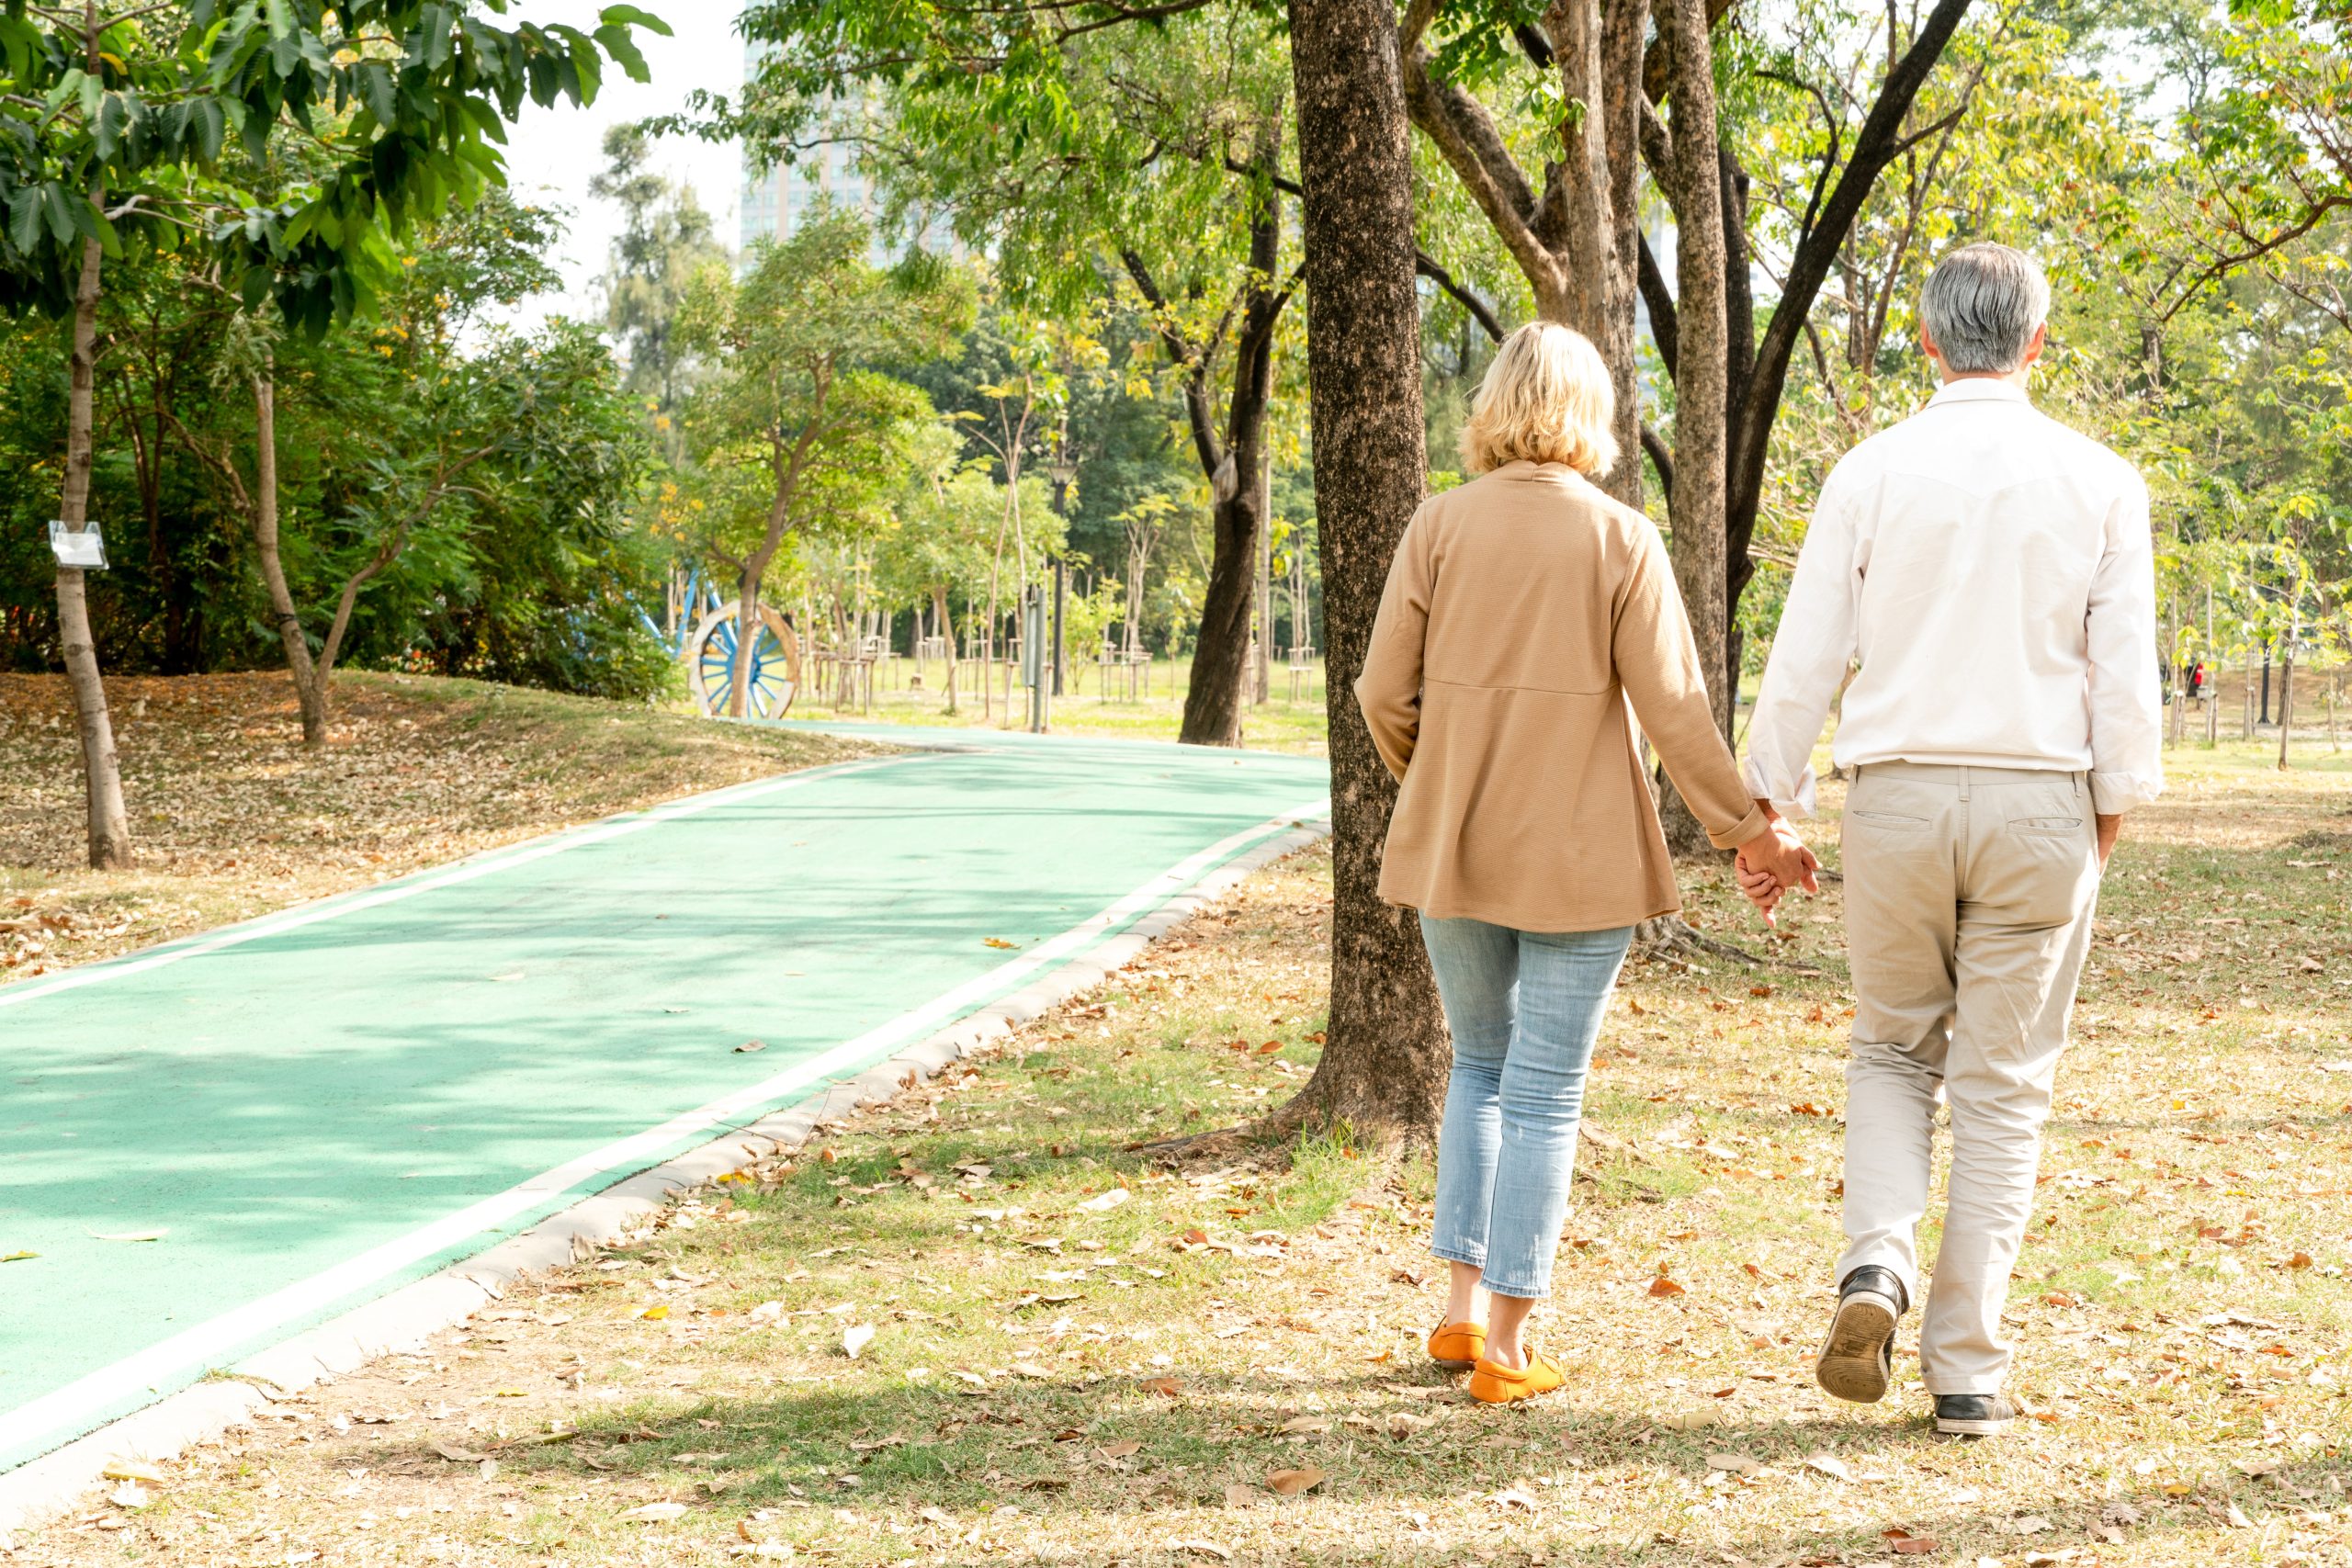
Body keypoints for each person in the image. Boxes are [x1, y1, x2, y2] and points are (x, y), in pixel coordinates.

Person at [1736, 243, 2162, 1438]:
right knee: (2003, 1089)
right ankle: (1965, 1368)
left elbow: (1807, 650)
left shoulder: (1871, 470)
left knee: (1890, 1051)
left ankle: (1875, 1261)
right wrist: (2106, 816)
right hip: (2042, 800)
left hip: (1899, 797)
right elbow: (2121, 680)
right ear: (2038, 342)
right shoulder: (2101, 479)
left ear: (1925, 343)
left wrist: (1768, 807)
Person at [1355, 321, 1816, 1407]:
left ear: (1493, 408)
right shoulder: (1620, 538)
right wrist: (1750, 832)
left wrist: (1441, 778)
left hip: (1454, 846)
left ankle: (1461, 1318)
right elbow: (1674, 711)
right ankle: (1511, 1349)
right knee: (1546, 1090)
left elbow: (1381, 693)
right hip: (1580, 855)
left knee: (1476, 1065)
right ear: (1593, 415)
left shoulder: (1438, 527)